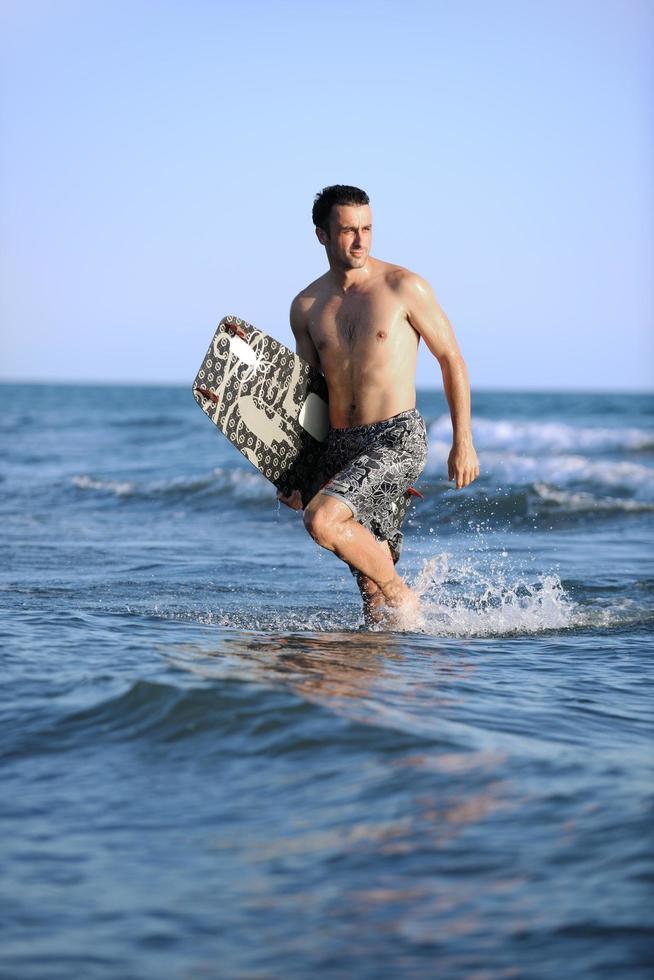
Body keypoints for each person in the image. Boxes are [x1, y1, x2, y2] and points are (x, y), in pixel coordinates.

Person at [277, 184, 479, 624]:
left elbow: (452, 359)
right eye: (348, 230)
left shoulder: (404, 287)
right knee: (371, 598)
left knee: (324, 522)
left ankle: (405, 595)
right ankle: (375, 682)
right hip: (341, 444)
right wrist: (296, 470)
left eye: (367, 229)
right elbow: (308, 396)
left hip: (395, 438)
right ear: (322, 235)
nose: (360, 241)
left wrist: (463, 440)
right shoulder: (307, 307)